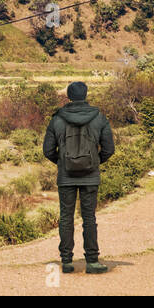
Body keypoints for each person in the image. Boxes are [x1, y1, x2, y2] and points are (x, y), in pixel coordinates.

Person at [42, 81, 115, 274]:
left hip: (66, 177)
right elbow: (109, 149)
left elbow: (48, 150)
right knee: (89, 218)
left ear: (68, 96)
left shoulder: (57, 119)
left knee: (66, 217)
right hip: (90, 176)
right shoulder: (99, 117)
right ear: (86, 94)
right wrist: (94, 162)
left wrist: (63, 163)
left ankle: (66, 261)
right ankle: (92, 261)